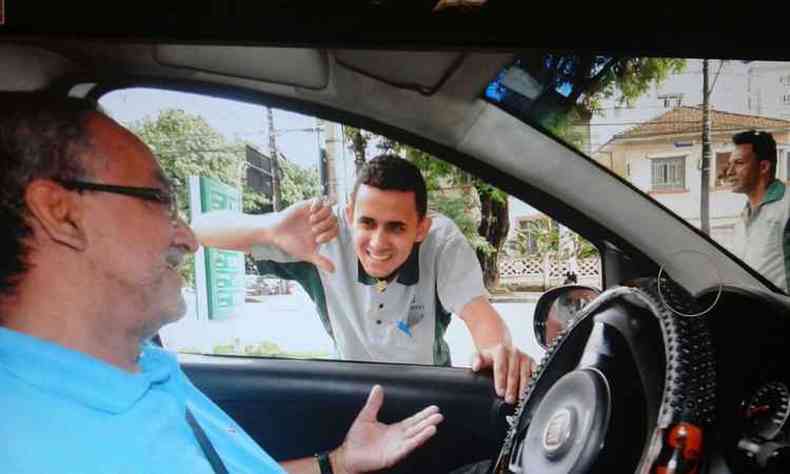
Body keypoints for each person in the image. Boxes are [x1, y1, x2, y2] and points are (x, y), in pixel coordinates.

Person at [0, 92, 444, 474]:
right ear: (60, 213)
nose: (187, 237)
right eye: (159, 200)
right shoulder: (35, 443)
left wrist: (339, 462)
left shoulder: (135, 370)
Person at [194, 155, 535, 404]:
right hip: (351, 394)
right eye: (367, 223)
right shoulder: (321, 236)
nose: (377, 243)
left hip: (429, 394)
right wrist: (270, 227)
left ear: (421, 228)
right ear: (349, 216)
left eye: (396, 227)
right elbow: (201, 230)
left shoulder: (441, 241)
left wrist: (497, 352)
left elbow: (480, 315)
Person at [726, 129, 790, 292]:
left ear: (763, 167)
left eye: (739, 163)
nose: (729, 172)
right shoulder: (742, 218)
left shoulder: (787, 206)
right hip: (756, 311)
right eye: (730, 164)